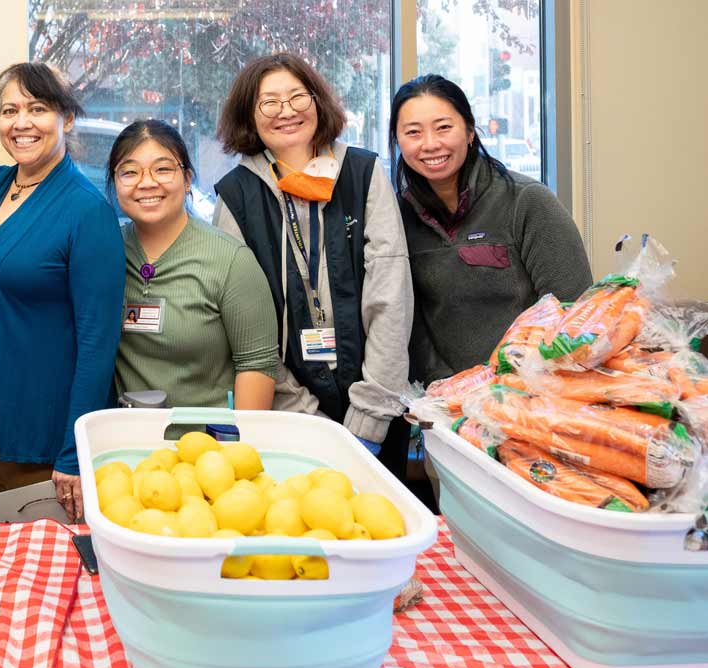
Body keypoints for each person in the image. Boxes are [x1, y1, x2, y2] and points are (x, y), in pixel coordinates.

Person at [212, 52, 413, 460]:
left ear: (318, 102)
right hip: (285, 415)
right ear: (249, 115)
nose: (285, 112)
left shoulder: (364, 173)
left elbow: (390, 297)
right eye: (268, 102)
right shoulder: (235, 195)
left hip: (376, 408)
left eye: (297, 97)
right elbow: (244, 327)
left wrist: (370, 417)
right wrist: (304, 418)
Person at [0, 63, 123, 523]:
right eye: (9, 110)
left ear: (66, 118)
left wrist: (73, 452)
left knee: (48, 571)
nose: (21, 122)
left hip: (43, 432)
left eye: (37, 108)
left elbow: (97, 344)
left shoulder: (86, 212)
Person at [390, 74, 591, 384]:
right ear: (398, 140)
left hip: (532, 393)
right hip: (447, 399)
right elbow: (410, 323)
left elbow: (574, 312)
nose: (430, 144)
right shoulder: (397, 218)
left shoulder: (527, 201)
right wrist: (447, 387)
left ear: (470, 131)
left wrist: (515, 388)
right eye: (413, 132)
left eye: (444, 127)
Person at [109, 119, 279, 410]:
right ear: (115, 183)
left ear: (187, 179)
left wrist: (232, 449)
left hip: (207, 445)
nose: (147, 182)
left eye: (162, 169)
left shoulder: (231, 260)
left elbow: (256, 365)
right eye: (130, 172)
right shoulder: (106, 251)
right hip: (126, 439)